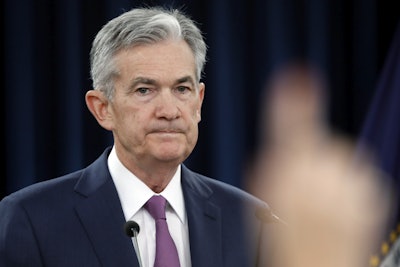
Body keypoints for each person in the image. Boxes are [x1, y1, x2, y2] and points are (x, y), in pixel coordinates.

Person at [0, 6, 272, 267]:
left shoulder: (251, 221)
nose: (169, 111)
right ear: (102, 108)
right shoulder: (32, 219)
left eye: (182, 89)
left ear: (199, 102)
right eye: (144, 90)